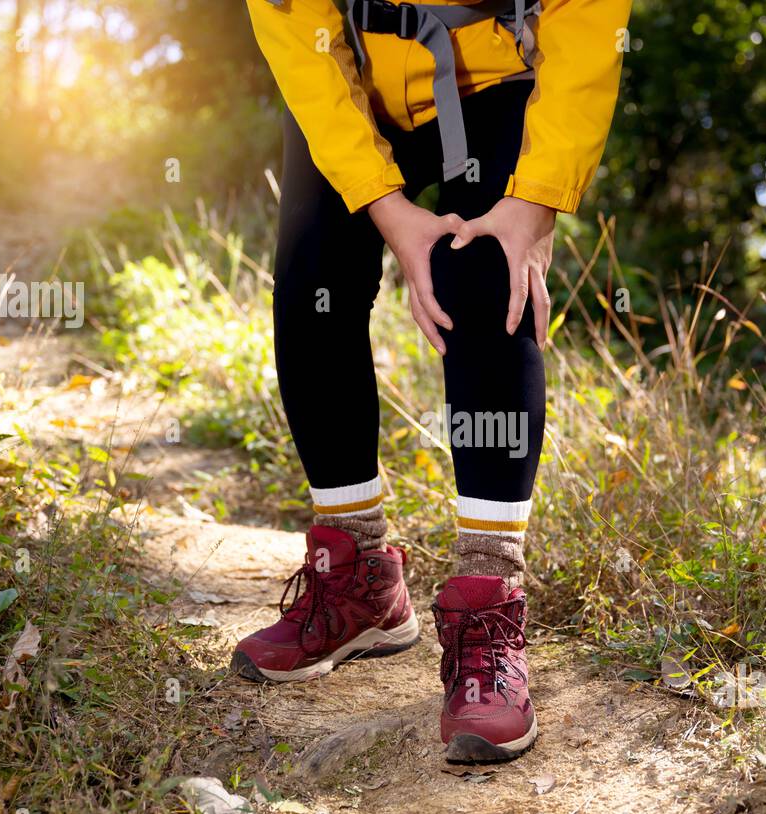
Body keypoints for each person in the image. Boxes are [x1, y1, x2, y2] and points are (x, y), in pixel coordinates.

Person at [233, 0, 631, 762]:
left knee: (487, 279)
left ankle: (490, 604)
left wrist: (535, 201)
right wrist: (387, 209)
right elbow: (290, 25)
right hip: (346, 67)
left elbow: (587, 20)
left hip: (495, 70)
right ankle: (358, 578)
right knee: (313, 275)